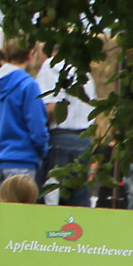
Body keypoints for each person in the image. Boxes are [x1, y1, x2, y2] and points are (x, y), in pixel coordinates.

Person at [0, 37, 49, 191]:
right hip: (24, 159)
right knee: (22, 212)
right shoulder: (28, 85)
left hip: (0, 160)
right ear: (31, 54)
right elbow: (37, 126)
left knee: (6, 211)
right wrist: (42, 150)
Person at [34, 51, 94, 207]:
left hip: (61, 140)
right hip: (84, 141)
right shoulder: (82, 70)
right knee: (78, 207)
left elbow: (51, 109)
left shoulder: (51, 66)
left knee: (53, 206)